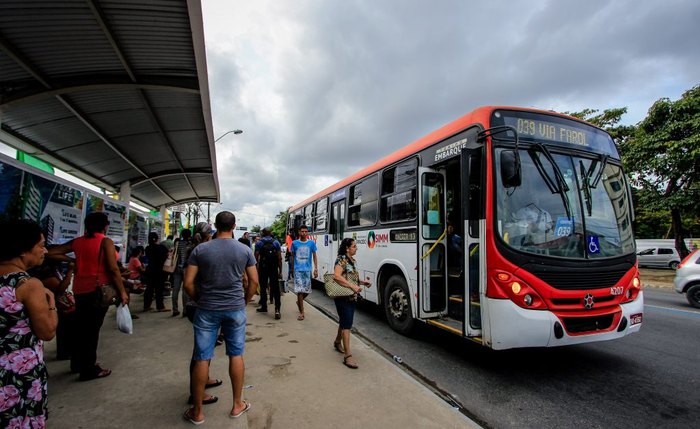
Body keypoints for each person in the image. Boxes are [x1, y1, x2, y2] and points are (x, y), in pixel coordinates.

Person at [183, 212, 258, 424]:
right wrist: (244, 301)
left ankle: (197, 412)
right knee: (236, 354)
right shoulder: (244, 250)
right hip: (234, 308)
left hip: (206, 309)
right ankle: (237, 405)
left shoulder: (201, 250)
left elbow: (188, 283)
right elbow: (253, 281)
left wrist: (200, 299)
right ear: (234, 226)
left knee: (202, 357)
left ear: (215, 225)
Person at [47, 212, 129, 381]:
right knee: (92, 331)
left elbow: (52, 252)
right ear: (104, 225)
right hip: (98, 290)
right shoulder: (105, 242)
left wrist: (74, 262)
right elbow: (113, 270)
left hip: (80, 290)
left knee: (81, 328)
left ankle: (77, 363)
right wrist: (122, 291)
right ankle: (89, 369)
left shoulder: (78, 242)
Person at [0, 219, 57, 427]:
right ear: (23, 250)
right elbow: (47, 331)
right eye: (41, 245)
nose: (45, 251)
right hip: (18, 376)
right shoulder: (28, 285)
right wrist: (51, 302)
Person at [331, 238, 371, 369]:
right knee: (347, 325)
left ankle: (337, 342)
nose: (356, 248)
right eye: (354, 246)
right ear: (347, 248)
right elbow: (336, 276)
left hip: (351, 296)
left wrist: (362, 282)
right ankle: (348, 356)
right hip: (342, 296)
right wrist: (352, 286)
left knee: (344, 321)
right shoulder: (341, 259)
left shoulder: (352, 261)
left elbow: (351, 276)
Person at [29, 249, 75, 361]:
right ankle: (64, 352)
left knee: (64, 328)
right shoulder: (45, 272)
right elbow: (60, 288)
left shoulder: (53, 269)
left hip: (56, 303)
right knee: (63, 327)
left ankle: (65, 350)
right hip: (54, 304)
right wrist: (70, 271)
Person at [289, 225, 317, 321]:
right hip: (298, 270)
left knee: (307, 290)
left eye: (306, 231)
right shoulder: (294, 243)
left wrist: (316, 268)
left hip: (307, 270)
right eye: (302, 231)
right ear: (299, 232)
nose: (304, 233)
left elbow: (314, 256)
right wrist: (292, 269)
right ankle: (302, 312)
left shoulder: (311, 243)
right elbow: (292, 256)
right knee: (300, 291)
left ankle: (299, 302)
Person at [254, 228, 283, 319]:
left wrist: (256, 268)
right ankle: (277, 309)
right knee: (275, 288)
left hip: (263, 267)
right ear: (271, 233)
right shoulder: (276, 242)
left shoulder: (259, 243)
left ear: (262, 233)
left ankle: (264, 306)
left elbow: (256, 257)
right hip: (273, 268)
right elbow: (279, 258)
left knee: (263, 287)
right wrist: (280, 271)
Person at [144, 232, 169, 312]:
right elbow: (167, 256)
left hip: (150, 270)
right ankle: (160, 306)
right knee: (159, 289)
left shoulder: (147, 248)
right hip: (160, 271)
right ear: (157, 239)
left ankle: (146, 305)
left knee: (149, 288)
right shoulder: (162, 248)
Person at [171, 228, 193, 317]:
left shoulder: (177, 244)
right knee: (185, 290)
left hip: (177, 268)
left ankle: (175, 309)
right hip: (186, 269)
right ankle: (185, 310)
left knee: (175, 289)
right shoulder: (191, 245)